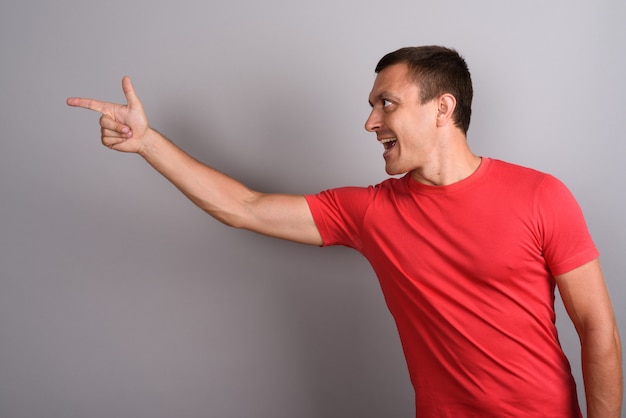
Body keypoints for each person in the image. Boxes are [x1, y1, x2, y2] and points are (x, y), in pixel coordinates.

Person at [67, 46, 622, 417]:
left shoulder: (540, 195)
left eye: (388, 103)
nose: (370, 121)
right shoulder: (371, 213)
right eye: (371, 105)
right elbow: (246, 206)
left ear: (442, 109)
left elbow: (597, 327)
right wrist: (148, 143)